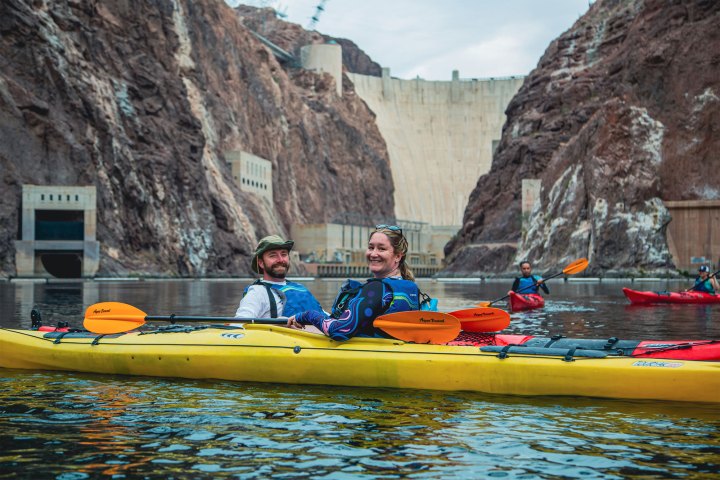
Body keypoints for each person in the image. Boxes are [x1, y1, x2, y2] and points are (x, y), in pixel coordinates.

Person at [286, 225, 421, 341]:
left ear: (398, 255)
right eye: (370, 247)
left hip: (371, 359)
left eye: (381, 249)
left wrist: (307, 315)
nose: (373, 254)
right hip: (393, 353)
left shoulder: (377, 288)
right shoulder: (411, 287)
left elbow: (340, 330)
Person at [235, 235, 324, 319]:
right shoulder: (257, 293)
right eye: (273, 255)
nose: (280, 260)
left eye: (284, 254)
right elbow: (240, 323)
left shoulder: (300, 288)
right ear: (261, 263)